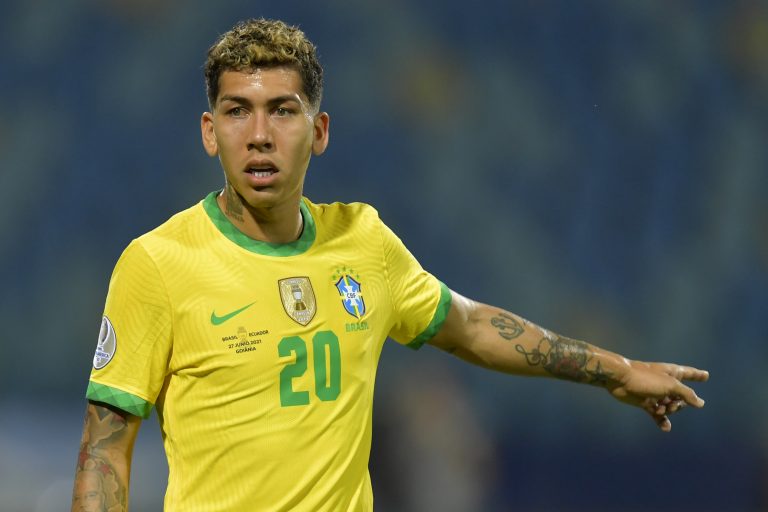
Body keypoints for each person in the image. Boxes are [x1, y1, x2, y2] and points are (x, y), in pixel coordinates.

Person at [72, 17, 709, 512]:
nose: (259, 134)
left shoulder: (364, 242)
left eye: (282, 111)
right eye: (238, 111)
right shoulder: (157, 264)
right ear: (210, 133)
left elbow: (473, 327)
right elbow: (105, 452)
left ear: (319, 131)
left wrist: (617, 371)